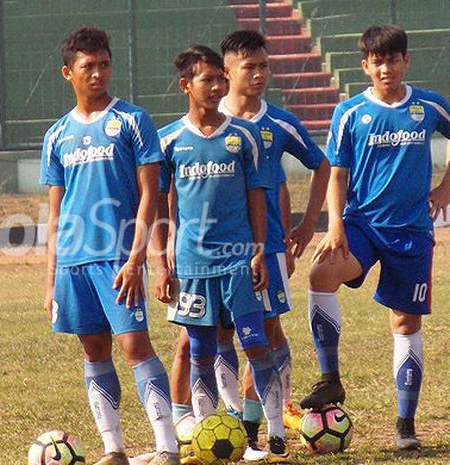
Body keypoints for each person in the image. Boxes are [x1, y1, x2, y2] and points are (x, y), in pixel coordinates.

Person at [301, 24, 450, 450]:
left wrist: (444, 189)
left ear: (406, 61)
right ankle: (331, 379)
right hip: (362, 225)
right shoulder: (350, 112)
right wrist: (334, 225)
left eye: (394, 59)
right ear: (366, 65)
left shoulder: (429, 106)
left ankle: (405, 426)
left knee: (404, 323)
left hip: (412, 233)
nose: (386, 67)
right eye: (378, 61)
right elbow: (337, 172)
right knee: (320, 274)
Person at [40, 26, 178, 465]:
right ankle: (113, 447)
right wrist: (50, 279)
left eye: (104, 64)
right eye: (88, 66)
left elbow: (149, 198)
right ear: (68, 72)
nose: (98, 73)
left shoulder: (133, 121)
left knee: (135, 345)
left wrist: (138, 258)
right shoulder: (56, 135)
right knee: (93, 350)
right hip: (73, 264)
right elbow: (55, 214)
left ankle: (167, 446)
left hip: (119, 257)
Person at [152, 44, 291, 463]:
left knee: (256, 345)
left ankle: (274, 433)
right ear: (185, 86)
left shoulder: (242, 136)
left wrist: (258, 253)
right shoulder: (170, 141)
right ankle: (210, 431)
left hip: (238, 261)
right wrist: (162, 260)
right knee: (201, 351)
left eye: (219, 78)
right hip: (193, 265)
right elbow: (159, 203)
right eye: (206, 79)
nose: (216, 86)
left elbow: (257, 199)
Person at [216, 29, 330, 459]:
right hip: (216, 248)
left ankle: (260, 426)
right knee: (216, 335)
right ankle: (219, 420)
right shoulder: (209, 121)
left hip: (267, 249)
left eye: (265, 65)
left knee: (265, 332)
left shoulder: (279, 122)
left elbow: (321, 166)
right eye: (251, 66)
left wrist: (305, 224)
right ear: (228, 71)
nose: (261, 73)